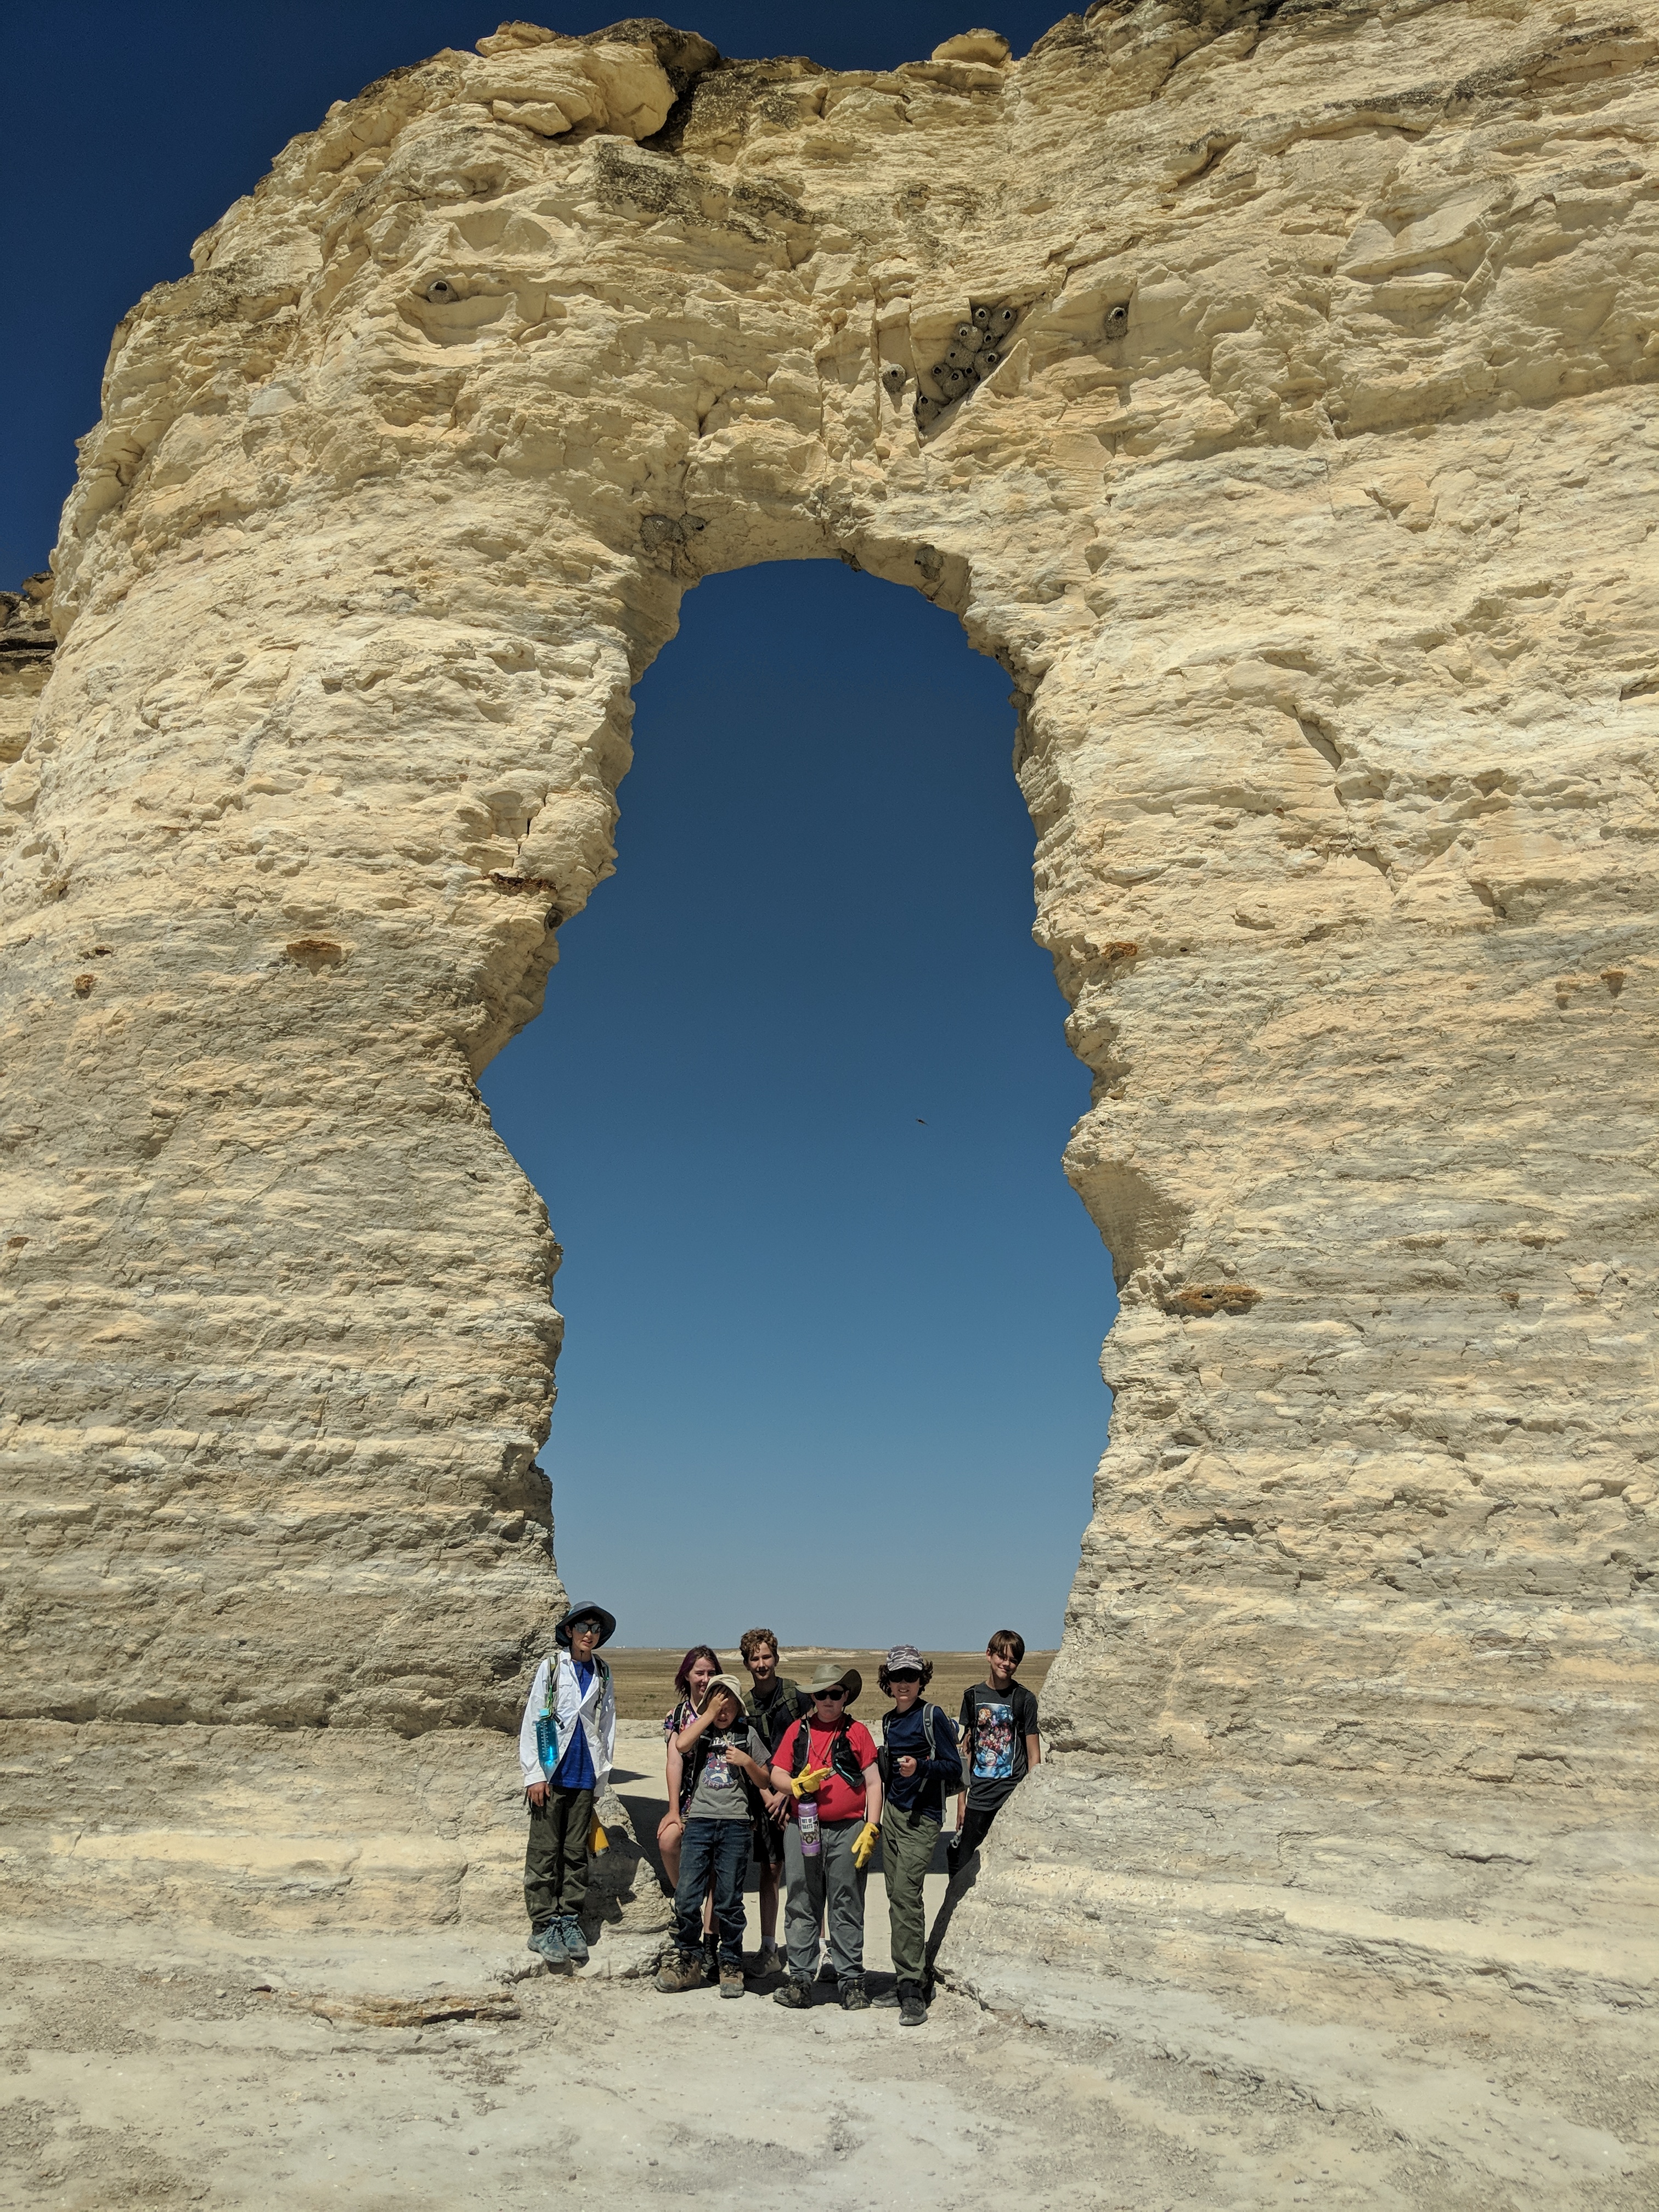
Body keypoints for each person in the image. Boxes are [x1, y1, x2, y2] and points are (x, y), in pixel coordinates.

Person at [768, 1662, 882, 2012]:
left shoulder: (857, 1733)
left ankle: (850, 1982)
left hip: (848, 1830)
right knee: (802, 1898)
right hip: (802, 1827)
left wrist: (871, 1826)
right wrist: (796, 1786)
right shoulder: (797, 1731)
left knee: (847, 1901)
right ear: (813, 1697)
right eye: (822, 1694)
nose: (829, 1700)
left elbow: (874, 1782)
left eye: (836, 1694)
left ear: (845, 1696)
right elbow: (776, 1774)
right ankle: (801, 1979)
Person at [654, 1674, 774, 1999]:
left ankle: (731, 1962)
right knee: (688, 1895)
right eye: (716, 1704)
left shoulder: (748, 1735)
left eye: (729, 1704)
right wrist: (707, 1714)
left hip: (735, 1825)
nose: (723, 1711)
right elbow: (680, 1745)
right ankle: (688, 1959)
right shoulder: (702, 1731)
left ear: (739, 1707)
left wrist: (747, 1761)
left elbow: (764, 1780)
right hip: (700, 1823)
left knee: (729, 1900)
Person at [518, 1599, 617, 1968]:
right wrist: (535, 1774)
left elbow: (607, 1726)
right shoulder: (552, 1668)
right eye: (583, 1626)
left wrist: (601, 1779)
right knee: (545, 1853)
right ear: (569, 1631)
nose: (590, 1633)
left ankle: (568, 1920)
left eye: (595, 1628)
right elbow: (534, 1718)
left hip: (584, 1775)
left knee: (576, 1855)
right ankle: (542, 1924)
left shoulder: (603, 1673)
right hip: (552, 1773)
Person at [874, 1645, 962, 2025]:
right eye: (898, 1677)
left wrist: (921, 1767)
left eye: (911, 1676)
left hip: (923, 1819)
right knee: (896, 1897)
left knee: (907, 1895)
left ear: (921, 1679)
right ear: (888, 1681)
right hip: (894, 1815)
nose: (904, 1684)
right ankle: (910, 1976)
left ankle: (911, 1989)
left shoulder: (932, 1716)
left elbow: (953, 1766)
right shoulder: (889, 1721)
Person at [738, 1627, 810, 1976]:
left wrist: (786, 1791)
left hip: (801, 1794)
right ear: (747, 1663)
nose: (762, 1664)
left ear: (776, 1659)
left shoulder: (797, 1696)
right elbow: (748, 1755)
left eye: (767, 1657)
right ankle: (769, 1948)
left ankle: (814, 1948)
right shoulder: (745, 1707)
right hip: (765, 1799)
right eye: (755, 1658)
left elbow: (813, 1744)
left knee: (809, 1871)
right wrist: (769, 1796)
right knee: (770, 1870)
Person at [947, 1628, 1040, 1882]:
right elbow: (966, 1751)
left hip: (1011, 1798)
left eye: (1013, 1660)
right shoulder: (972, 1697)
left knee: (1010, 1871)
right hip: (979, 1797)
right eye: (1002, 1657)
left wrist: (1029, 1801)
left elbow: (1034, 1756)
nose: (1006, 1664)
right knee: (965, 1871)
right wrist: (961, 1801)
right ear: (989, 1655)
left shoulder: (1025, 1699)